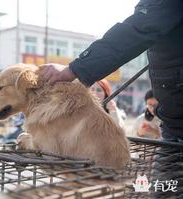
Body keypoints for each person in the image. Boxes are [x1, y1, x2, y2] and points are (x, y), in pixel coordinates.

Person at [40, 1, 183, 197]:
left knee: (164, 191)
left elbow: (140, 27)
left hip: (176, 128)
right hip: (174, 127)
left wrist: (73, 69)